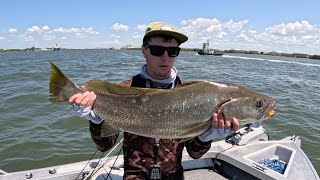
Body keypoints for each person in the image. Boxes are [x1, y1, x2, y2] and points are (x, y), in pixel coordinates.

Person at [69, 22, 240, 180]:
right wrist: (96, 121)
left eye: (173, 51)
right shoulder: (125, 90)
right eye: (157, 50)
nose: (165, 58)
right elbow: (105, 145)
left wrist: (207, 136)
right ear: (144, 50)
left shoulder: (191, 94)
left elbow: (194, 153)